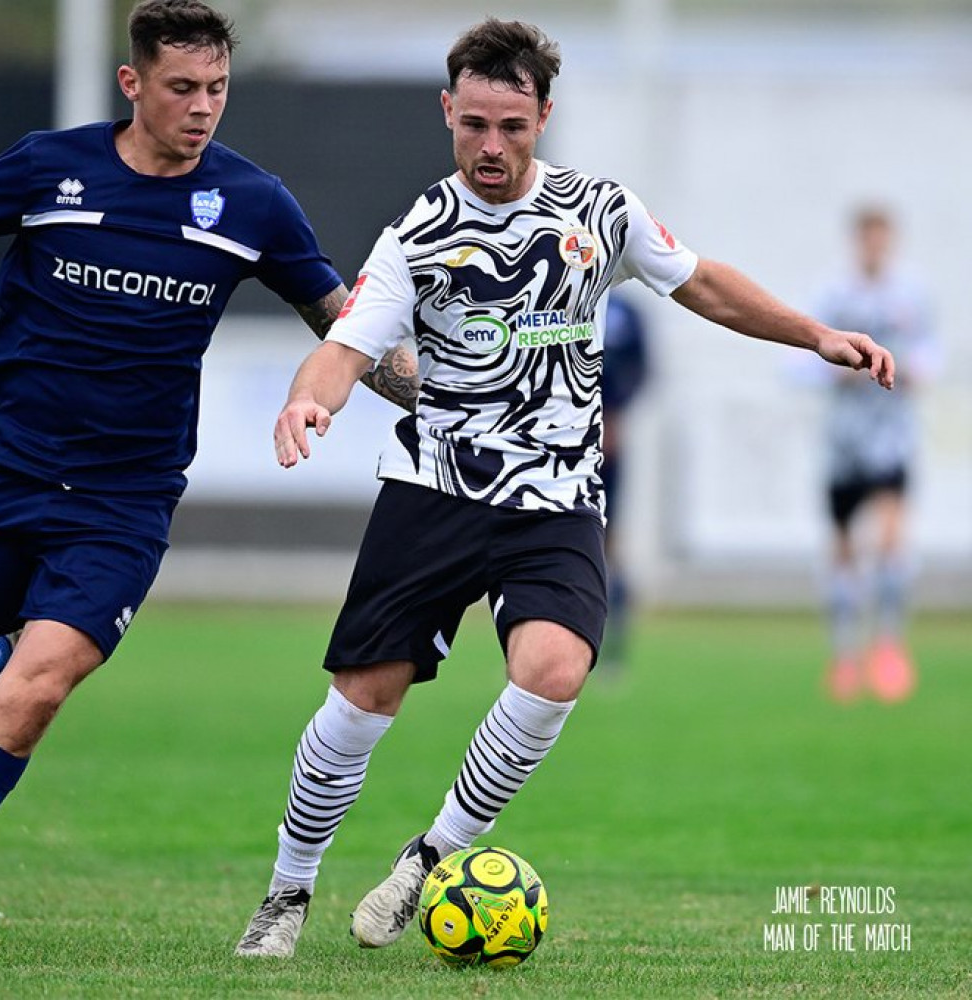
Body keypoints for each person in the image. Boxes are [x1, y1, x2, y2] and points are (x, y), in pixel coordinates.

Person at [234, 18, 894, 958]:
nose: (491, 146)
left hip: (557, 499)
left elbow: (701, 282)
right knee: (363, 698)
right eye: (472, 126)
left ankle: (430, 861)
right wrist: (312, 404)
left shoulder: (600, 211)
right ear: (447, 114)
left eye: (511, 125)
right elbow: (347, 345)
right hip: (437, 489)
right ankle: (286, 893)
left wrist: (814, 335)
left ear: (545, 114)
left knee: (554, 670)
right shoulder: (419, 232)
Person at [0, 0, 417, 842]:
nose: (203, 107)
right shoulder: (47, 168)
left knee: (34, 693)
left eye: (217, 88)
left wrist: (448, 402)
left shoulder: (250, 202)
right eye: (182, 88)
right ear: (132, 83)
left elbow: (341, 322)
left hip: (120, 501)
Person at [812, 207, 937, 703]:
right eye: (867, 240)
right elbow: (800, 356)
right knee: (843, 551)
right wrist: (834, 371)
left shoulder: (912, 293)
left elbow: (932, 352)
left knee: (890, 541)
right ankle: (844, 655)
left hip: (892, 437)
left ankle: (888, 647)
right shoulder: (833, 295)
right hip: (844, 441)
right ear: (857, 242)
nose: (874, 248)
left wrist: (913, 370)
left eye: (881, 240)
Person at [599, 291, 652, 670]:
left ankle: (613, 647)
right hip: (551, 441)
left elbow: (642, 369)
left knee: (610, 540)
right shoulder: (557, 292)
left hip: (608, 442)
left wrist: (615, 416)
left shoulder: (625, 311)